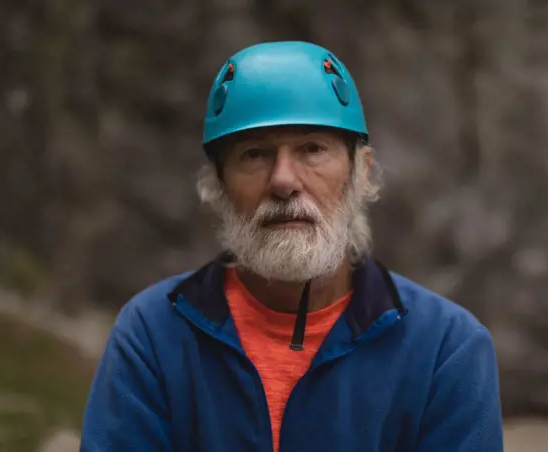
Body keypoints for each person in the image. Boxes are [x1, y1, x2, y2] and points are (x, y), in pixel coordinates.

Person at [80, 41, 503, 452]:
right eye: (254, 154)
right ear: (218, 185)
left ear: (362, 172)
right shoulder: (153, 333)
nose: (283, 181)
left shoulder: (445, 349)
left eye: (312, 149)